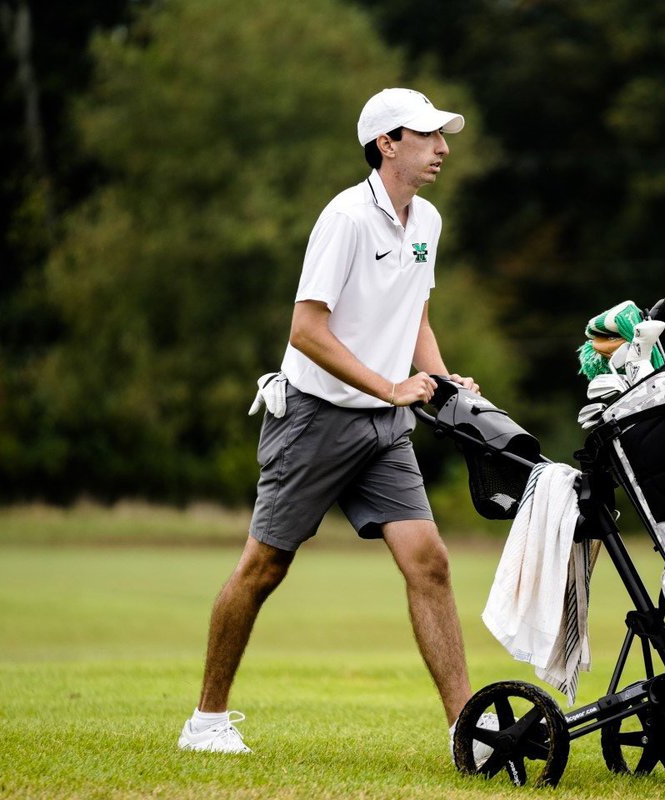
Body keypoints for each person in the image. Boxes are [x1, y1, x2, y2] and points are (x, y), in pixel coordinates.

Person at [179, 88, 480, 757]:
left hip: (384, 425)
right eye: (427, 135)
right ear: (386, 144)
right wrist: (391, 385)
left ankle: (467, 729)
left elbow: (415, 319)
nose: (443, 148)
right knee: (264, 567)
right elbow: (307, 330)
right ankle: (206, 722)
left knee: (429, 562)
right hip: (313, 418)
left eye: (441, 136)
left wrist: (442, 379)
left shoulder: (426, 220)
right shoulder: (345, 218)